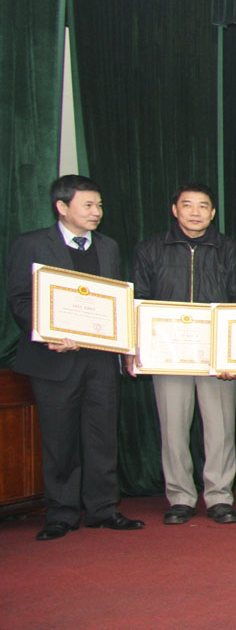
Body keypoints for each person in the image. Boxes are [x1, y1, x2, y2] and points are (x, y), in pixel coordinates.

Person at [4, 175, 144, 540]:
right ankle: (61, 513)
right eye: (88, 205)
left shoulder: (109, 246)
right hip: (53, 360)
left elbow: (117, 302)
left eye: (99, 205)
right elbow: (19, 298)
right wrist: (47, 332)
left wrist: (127, 346)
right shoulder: (30, 244)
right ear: (62, 207)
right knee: (59, 438)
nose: (97, 212)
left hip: (100, 360)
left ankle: (103, 508)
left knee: (102, 437)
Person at [133, 182, 236, 525]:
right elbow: (138, 300)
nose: (195, 212)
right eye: (187, 205)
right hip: (167, 353)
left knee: (221, 429)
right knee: (173, 429)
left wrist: (235, 355)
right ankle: (180, 496)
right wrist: (136, 348)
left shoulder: (230, 250)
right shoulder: (151, 248)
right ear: (175, 210)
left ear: (213, 213)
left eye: (203, 206)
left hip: (216, 355)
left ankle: (219, 496)